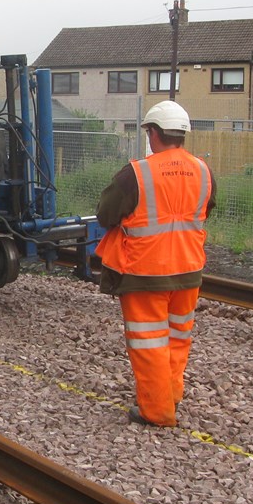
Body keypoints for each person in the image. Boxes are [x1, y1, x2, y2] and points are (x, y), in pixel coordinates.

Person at [95, 100, 216, 427]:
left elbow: (105, 214)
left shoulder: (135, 174)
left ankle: (158, 411)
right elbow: (206, 208)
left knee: (148, 343)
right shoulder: (203, 170)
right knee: (178, 336)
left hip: (145, 272)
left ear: (153, 132)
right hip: (189, 269)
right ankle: (171, 393)